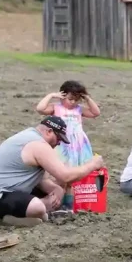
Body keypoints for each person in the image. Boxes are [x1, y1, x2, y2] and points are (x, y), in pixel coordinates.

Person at [0, 116, 105, 225]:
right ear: (49, 132)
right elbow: (66, 176)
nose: (59, 143)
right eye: (58, 139)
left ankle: (25, 215)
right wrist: (92, 165)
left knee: (58, 187)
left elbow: (41, 179)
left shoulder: (29, 136)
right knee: (38, 207)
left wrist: (56, 190)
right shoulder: (38, 145)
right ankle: (27, 215)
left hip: (11, 188)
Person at [36, 80, 101, 209]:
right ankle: (56, 202)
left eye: (76, 99)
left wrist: (87, 98)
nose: (73, 102)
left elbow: (96, 113)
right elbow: (40, 109)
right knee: (59, 175)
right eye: (70, 99)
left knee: (72, 177)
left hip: (77, 146)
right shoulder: (56, 108)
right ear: (63, 95)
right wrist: (51, 95)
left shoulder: (79, 109)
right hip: (61, 145)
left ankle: (68, 204)